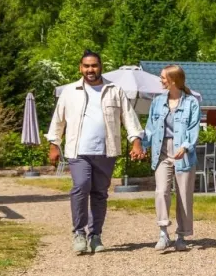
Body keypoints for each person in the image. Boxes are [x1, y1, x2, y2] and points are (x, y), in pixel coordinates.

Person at [46, 51, 145, 255]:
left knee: (100, 193)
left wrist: (136, 142)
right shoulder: (70, 91)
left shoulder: (114, 90)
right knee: (81, 187)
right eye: (86, 66)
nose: (90, 70)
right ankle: (79, 234)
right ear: (80, 68)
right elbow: (58, 120)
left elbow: (129, 118)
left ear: (101, 67)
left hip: (106, 151)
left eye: (94, 66)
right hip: (78, 150)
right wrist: (54, 145)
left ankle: (95, 235)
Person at [143, 64, 202, 252]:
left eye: (163, 77)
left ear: (173, 80)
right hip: (161, 151)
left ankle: (181, 236)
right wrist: (142, 146)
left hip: (182, 154)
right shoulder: (157, 101)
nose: (160, 80)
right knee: (161, 192)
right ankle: (163, 233)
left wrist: (185, 147)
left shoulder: (191, 102)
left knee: (184, 196)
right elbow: (150, 127)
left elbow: (193, 129)